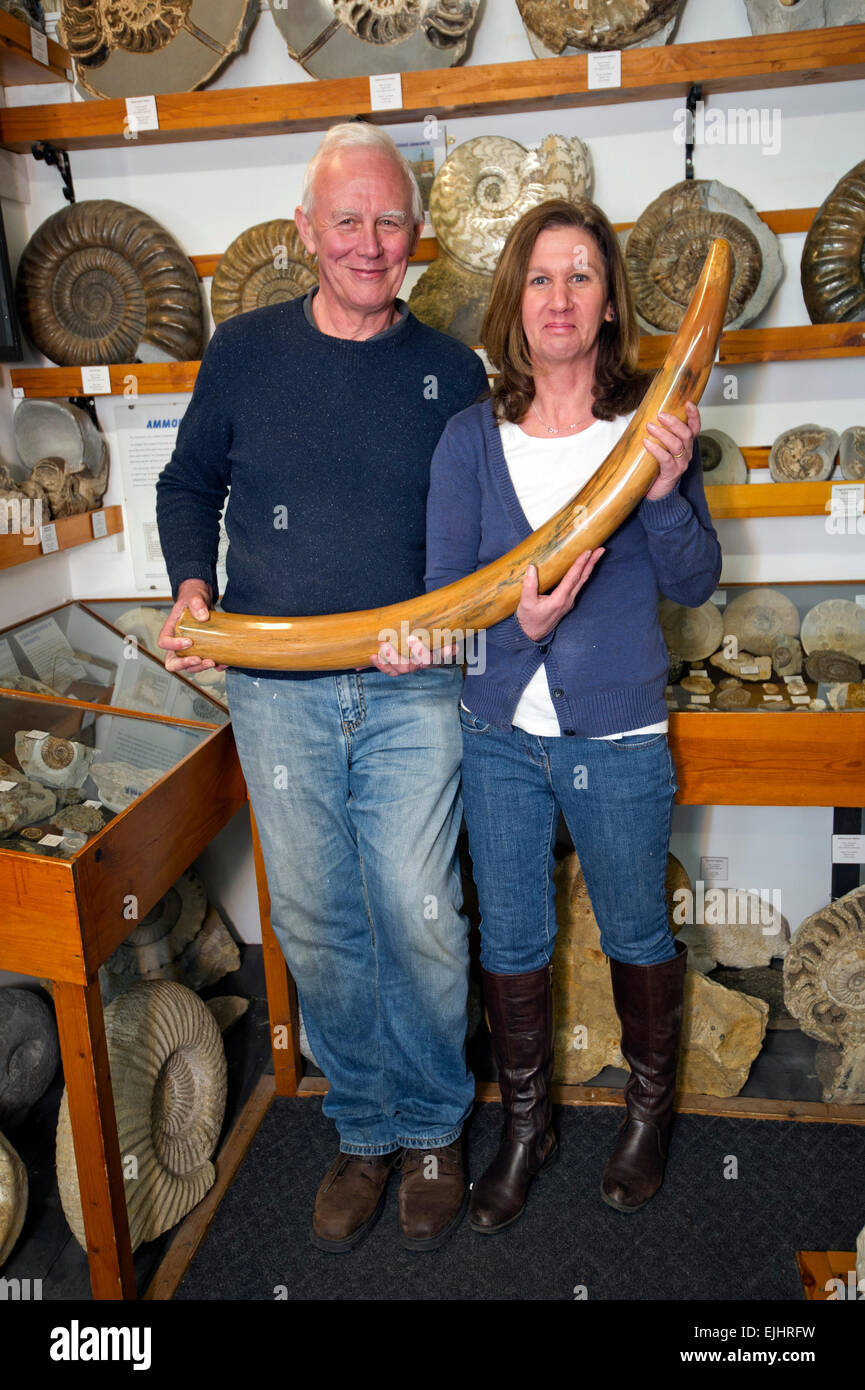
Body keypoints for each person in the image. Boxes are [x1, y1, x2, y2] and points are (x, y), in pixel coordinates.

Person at [154, 121, 489, 1253]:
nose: (368, 241)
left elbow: (483, 537)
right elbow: (186, 480)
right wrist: (192, 583)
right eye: (346, 220)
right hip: (275, 686)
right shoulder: (243, 350)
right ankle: (364, 1128)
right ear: (306, 230)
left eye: (390, 220)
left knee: (417, 908)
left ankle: (437, 1124)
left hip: (411, 692)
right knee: (315, 918)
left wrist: (447, 630)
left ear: (418, 235)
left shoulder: (453, 369)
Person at [374, 196, 721, 1232]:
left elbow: (699, 584)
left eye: (579, 276)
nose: (558, 296)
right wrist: (510, 628)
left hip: (618, 736)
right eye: (539, 277)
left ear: (609, 301)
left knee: (635, 930)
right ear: (513, 303)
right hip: (497, 738)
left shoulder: (649, 429)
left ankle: (645, 1114)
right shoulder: (465, 442)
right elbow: (447, 603)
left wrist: (661, 495)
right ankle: (529, 1126)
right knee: (513, 938)